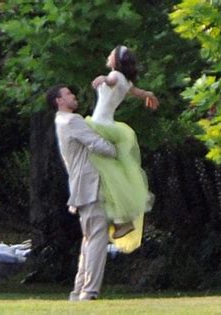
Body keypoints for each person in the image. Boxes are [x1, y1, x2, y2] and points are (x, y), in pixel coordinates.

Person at [48, 84, 116, 301]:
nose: (73, 96)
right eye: (68, 94)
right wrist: (118, 149)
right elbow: (97, 144)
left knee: (89, 239)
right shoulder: (72, 120)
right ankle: (90, 290)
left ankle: (79, 290)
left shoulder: (60, 122)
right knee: (97, 237)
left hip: (80, 186)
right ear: (58, 101)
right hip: (90, 186)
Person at [88, 45, 158, 250]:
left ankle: (117, 217)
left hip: (100, 125)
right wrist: (149, 94)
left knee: (102, 170)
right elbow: (137, 91)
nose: (108, 55)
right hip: (109, 125)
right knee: (111, 173)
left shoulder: (116, 75)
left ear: (117, 60)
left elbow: (111, 81)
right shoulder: (126, 81)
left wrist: (103, 78)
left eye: (111, 54)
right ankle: (120, 219)